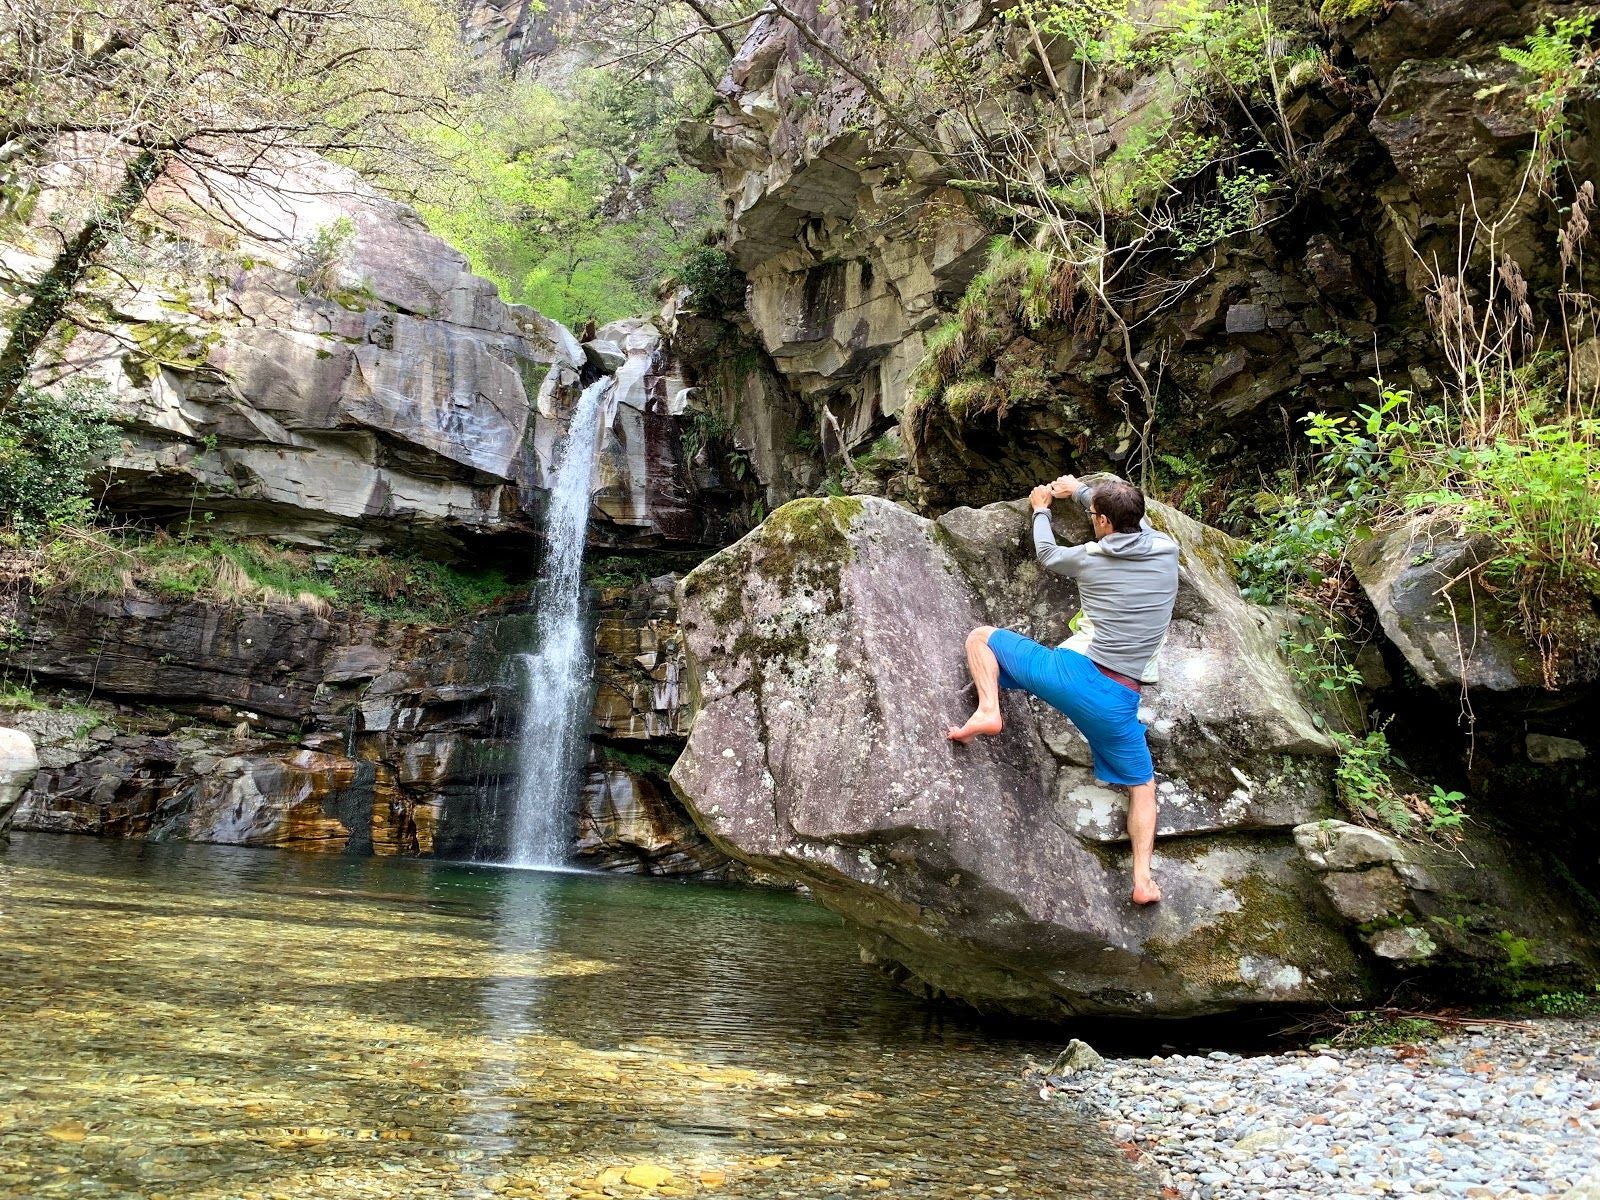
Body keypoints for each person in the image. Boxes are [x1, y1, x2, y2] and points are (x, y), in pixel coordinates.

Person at [947, 473, 1179, 905]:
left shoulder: (1090, 558)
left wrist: (1041, 510)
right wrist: (1081, 493)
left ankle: (987, 710)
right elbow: (1133, 524)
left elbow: (1049, 554)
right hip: (1118, 700)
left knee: (981, 638)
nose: (1092, 520)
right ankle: (1143, 880)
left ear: (1104, 522)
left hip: (1071, 673)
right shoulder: (1167, 550)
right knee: (1142, 786)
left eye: (1093, 516)